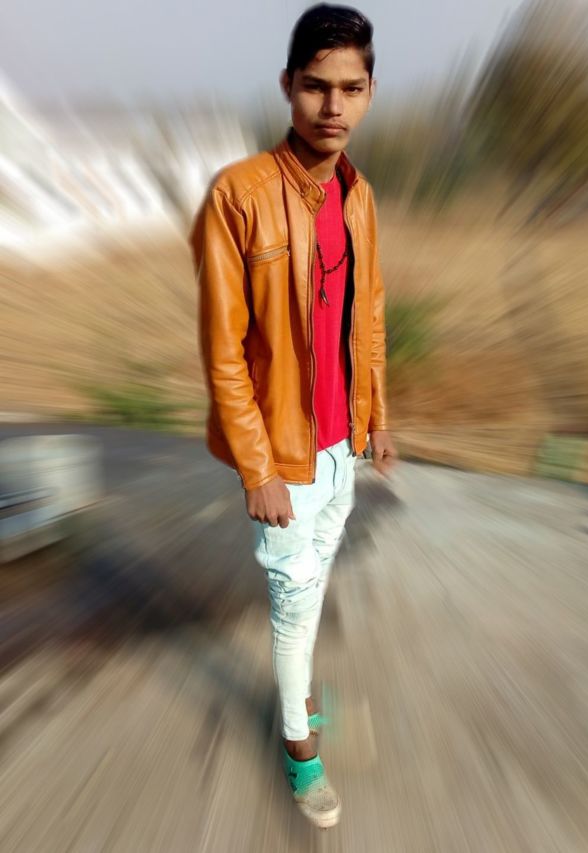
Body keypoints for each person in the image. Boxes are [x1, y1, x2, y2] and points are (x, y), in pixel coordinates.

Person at [189, 2, 398, 829]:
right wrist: (257, 467)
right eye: (316, 86)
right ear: (288, 85)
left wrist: (379, 415)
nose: (333, 106)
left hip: (345, 444)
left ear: (370, 92)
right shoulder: (238, 195)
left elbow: (368, 310)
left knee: (313, 578)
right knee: (293, 598)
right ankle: (299, 745)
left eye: (351, 88)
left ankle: (300, 689)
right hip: (283, 452)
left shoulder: (359, 195)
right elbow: (223, 349)